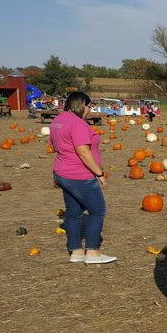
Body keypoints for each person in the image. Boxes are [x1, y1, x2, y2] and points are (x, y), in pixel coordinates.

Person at [49, 91, 116, 264]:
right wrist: (99, 174)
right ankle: (92, 252)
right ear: (79, 105)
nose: (89, 109)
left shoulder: (57, 121)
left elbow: (55, 146)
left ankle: (76, 251)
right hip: (78, 175)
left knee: (73, 213)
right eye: (88, 106)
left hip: (62, 173)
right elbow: (83, 152)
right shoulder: (77, 124)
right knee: (97, 210)